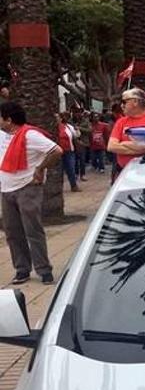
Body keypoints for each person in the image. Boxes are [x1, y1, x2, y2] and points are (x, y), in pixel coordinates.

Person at [0, 102, 62, 285]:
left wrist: (40, 168)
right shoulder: (3, 136)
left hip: (27, 188)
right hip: (6, 190)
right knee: (12, 232)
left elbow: (56, 150)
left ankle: (44, 270)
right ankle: (22, 270)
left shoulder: (30, 135)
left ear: (8, 120)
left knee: (32, 230)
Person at [107, 88, 145, 180]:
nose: (122, 105)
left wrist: (123, 144)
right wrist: (139, 147)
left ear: (135, 102)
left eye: (124, 102)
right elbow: (111, 146)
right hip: (122, 172)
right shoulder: (121, 122)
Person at [56, 112, 80, 192]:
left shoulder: (68, 127)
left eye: (58, 117)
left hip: (69, 151)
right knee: (59, 171)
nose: (56, 119)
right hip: (57, 152)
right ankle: (58, 188)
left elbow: (76, 135)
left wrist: (77, 130)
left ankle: (73, 186)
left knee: (71, 169)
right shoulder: (53, 128)